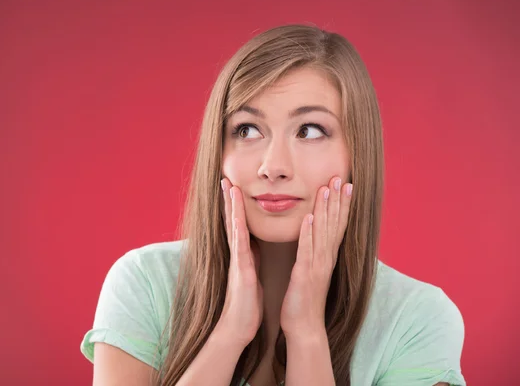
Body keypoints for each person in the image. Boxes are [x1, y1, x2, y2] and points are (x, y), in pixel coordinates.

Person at [79, 24, 466, 386]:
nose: (273, 167)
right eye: (247, 130)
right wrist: (229, 332)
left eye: (310, 131)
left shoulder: (418, 319)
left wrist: (306, 332)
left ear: (357, 155)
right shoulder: (144, 284)